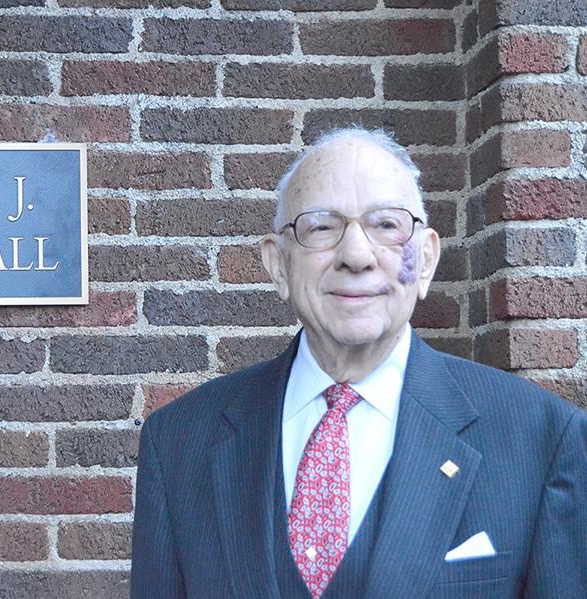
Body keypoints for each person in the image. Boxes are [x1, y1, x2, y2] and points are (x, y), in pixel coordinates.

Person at [130, 128, 586, 599]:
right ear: (278, 265)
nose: (355, 255)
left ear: (426, 261)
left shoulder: (542, 439)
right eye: (322, 226)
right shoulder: (179, 442)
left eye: (387, 225)